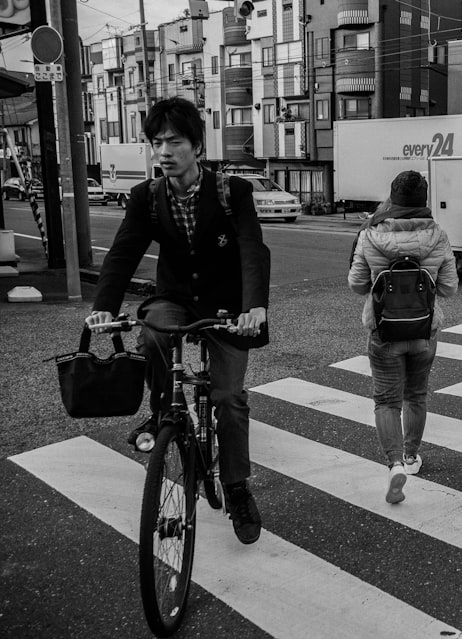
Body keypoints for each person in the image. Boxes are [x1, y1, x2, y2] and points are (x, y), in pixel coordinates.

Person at [84, 96, 270, 545]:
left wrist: (254, 306)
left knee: (228, 398)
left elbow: (251, 248)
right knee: (152, 332)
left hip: (228, 308)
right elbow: (125, 251)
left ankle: (238, 488)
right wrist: (104, 305)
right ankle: (163, 413)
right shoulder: (146, 198)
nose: (163, 152)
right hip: (175, 298)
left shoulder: (232, 191)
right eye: (156, 142)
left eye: (174, 141)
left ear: (197, 147)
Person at [348, 170, 458, 504]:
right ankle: (411, 457)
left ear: (393, 198)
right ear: (423, 200)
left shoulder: (371, 234)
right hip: (424, 330)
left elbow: (356, 284)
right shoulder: (438, 235)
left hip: (384, 330)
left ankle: (394, 463)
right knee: (416, 395)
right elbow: (450, 288)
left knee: (386, 400)